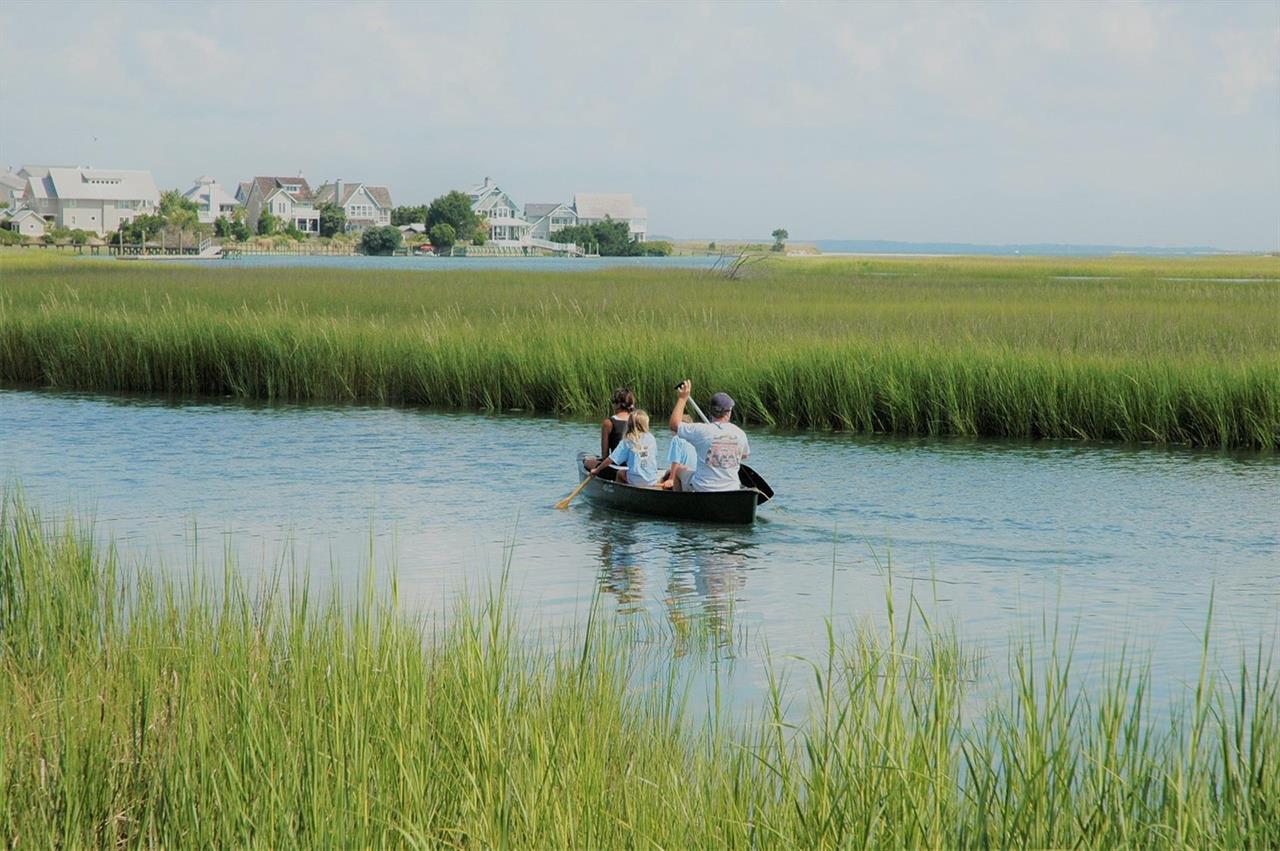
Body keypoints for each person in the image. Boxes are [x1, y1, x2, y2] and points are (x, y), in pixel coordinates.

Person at [667, 381, 749, 492]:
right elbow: (744, 455)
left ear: (711, 411)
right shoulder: (740, 433)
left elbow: (674, 425)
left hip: (703, 488)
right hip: (732, 489)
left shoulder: (700, 430)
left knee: (678, 470)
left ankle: (679, 504)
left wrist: (682, 399)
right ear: (729, 412)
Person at [588, 409, 661, 487]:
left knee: (620, 473)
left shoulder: (628, 440)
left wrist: (597, 470)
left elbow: (611, 459)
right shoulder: (651, 438)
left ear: (629, 425)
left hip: (635, 480)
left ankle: (618, 494)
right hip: (652, 479)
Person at [583, 387, 635, 481]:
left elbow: (605, 455)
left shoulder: (608, 423)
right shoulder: (637, 420)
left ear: (617, 404)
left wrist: (597, 467)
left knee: (586, 462)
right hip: (635, 469)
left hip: (616, 469)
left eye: (613, 402)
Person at [661, 414, 697, 489]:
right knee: (668, 472)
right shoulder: (695, 439)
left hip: (684, 477)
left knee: (665, 477)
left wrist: (671, 479)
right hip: (695, 474)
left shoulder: (676, 439)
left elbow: (675, 462)